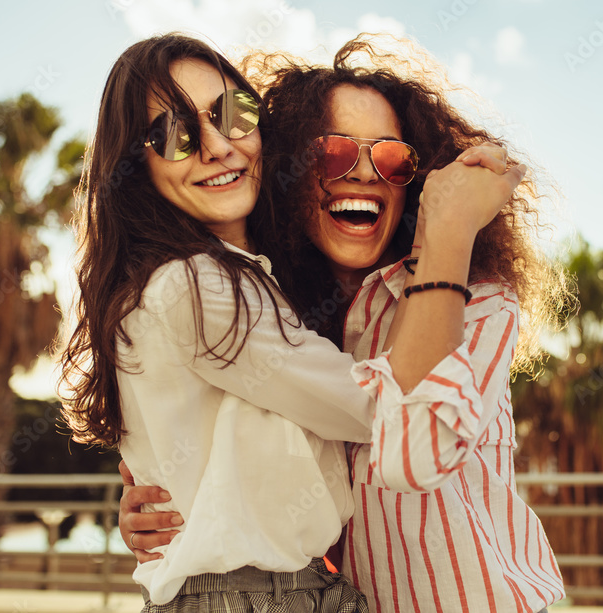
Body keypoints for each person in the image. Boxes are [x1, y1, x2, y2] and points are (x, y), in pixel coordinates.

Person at [59, 34, 522, 612]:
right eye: (172, 135)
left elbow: (404, 450)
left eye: (232, 114)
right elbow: (388, 411)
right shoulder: (208, 288)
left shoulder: (472, 302)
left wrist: (200, 506)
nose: (215, 147)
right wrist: (449, 228)